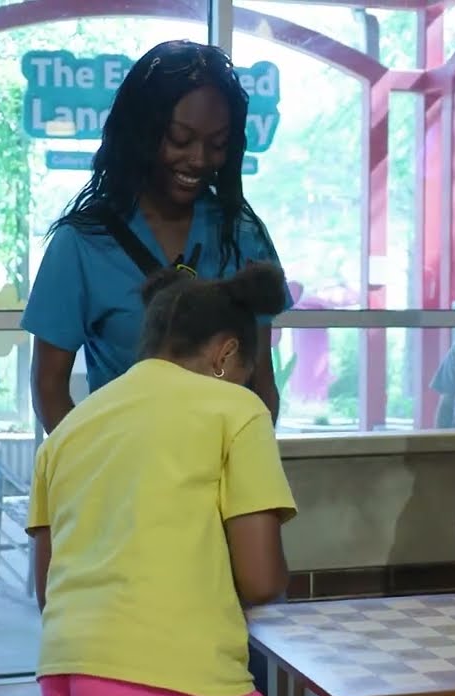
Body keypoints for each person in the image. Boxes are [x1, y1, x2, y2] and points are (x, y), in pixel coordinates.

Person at [25, 261, 296, 696]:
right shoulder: (237, 409)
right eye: (246, 372)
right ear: (225, 356)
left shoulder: (71, 429)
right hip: (174, 676)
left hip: (65, 672)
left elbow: (48, 589)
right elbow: (261, 579)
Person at [21, 39, 294, 436]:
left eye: (217, 144)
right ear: (140, 133)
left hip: (222, 483)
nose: (199, 160)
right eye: (180, 139)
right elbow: (49, 388)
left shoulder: (243, 236)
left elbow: (262, 386)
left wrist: (246, 467)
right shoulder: (82, 243)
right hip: (125, 483)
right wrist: (92, 469)